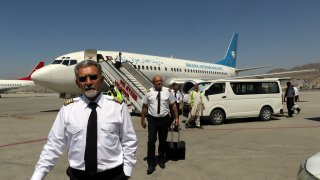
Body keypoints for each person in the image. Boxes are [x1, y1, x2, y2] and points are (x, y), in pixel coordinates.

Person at [31, 60, 138, 180]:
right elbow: (53, 145)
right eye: (83, 79)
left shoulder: (118, 106)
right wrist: (37, 176)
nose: (88, 82)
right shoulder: (68, 109)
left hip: (113, 175)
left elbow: (129, 140)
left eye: (93, 77)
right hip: (78, 176)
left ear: (101, 80)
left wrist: (127, 171)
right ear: (78, 83)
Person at [141, 75, 179, 175]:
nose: (159, 82)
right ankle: (151, 163)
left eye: (160, 81)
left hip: (164, 120)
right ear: (153, 83)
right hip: (152, 120)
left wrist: (177, 118)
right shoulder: (148, 92)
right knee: (151, 141)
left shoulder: (168, 92)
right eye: (156, 81)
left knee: (162, 141)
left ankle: (161, 159)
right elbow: (144, 106)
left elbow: (174, 105)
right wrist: (142, 120)